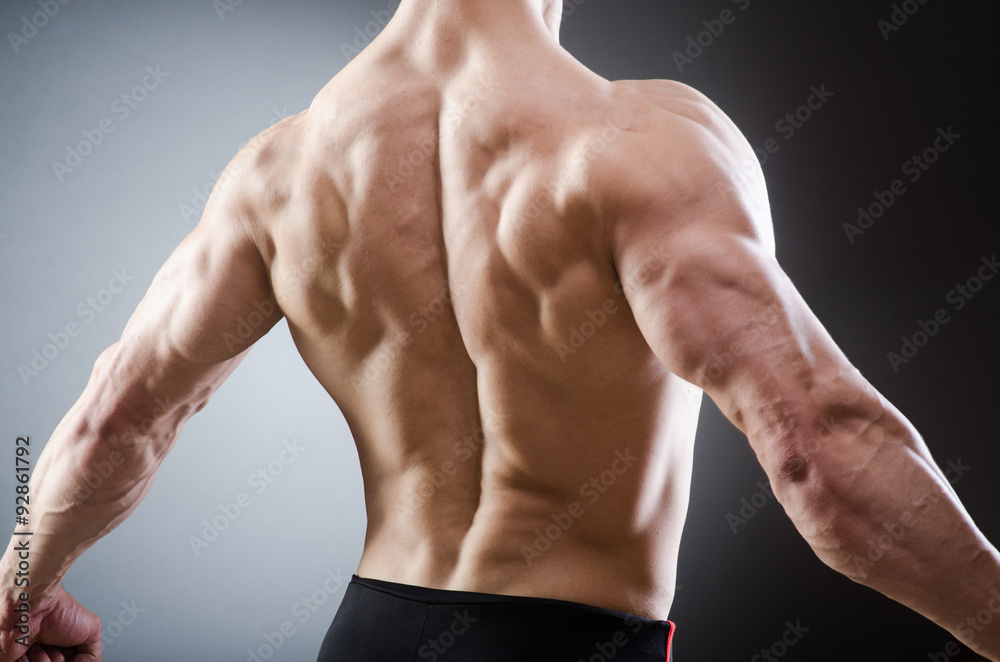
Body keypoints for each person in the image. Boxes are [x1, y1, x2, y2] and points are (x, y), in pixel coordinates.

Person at [1, 0, 998, 660]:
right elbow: (818, 450)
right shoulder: (645, 146)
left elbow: (112, 423)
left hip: (372, 633)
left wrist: (20, 592)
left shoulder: (279, 171)